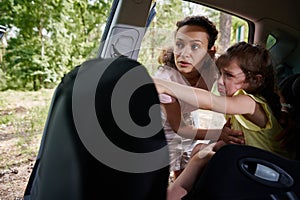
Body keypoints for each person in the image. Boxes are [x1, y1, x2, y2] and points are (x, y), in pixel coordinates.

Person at [154, 41, 295, 160]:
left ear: (256, 80)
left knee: (203, 156)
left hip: (273, 167)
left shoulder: (249, 102)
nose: (220, 81)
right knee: (199, 152)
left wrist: (165, 86)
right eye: (220, 73)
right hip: (250, 158)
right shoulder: (236, 96)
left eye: (228, 75)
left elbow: (211, 102)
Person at [154, 16, 243, 180]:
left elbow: (246, 78)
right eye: (179, 45)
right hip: (162, 135)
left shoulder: (214, 68)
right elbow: (179, 128)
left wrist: (282, 107)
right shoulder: (167, 81)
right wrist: (219, 134)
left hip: (188, 129)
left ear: (210, 51)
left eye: (195, 46)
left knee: (184, 177)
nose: (184, 53)